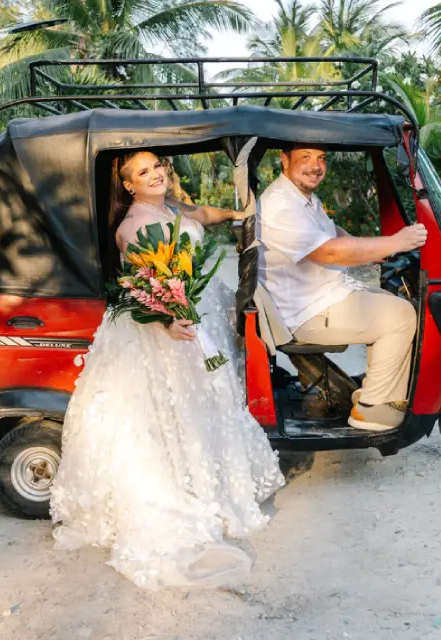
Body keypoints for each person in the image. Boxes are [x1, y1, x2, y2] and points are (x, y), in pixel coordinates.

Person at [50, 150, 285, 589]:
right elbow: (145, 287)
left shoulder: (170, 206)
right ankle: (186, 488)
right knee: (173, 410)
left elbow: (203, 214)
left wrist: (238, 214)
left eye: (157, 166)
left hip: (195, 311)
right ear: (128, 185)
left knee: (208, 402)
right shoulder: (133, 227)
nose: (155, 174)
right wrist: (169, 321)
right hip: (165, 330)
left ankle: (210, 477)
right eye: (143, 172)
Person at [259, 144, 427, 432]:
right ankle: (372, 409)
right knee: (401, 315)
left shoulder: (302, 198)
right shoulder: (280, 206)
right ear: (284, 160)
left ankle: (375, 389)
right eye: (305, 157)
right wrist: (395, 242)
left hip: (322, 294)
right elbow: (328, 252)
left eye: (321, 158)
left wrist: (377, 251)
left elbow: (334, 234)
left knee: (393, 300)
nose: (315, 166)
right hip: (306, 312)